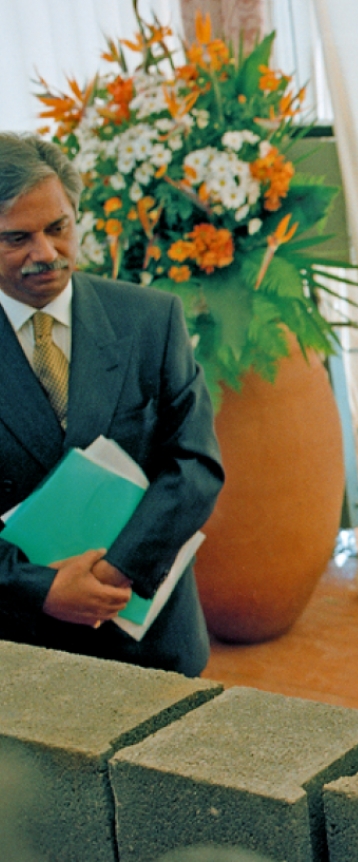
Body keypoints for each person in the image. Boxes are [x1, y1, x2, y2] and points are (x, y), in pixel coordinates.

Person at [0, 133, 222, 676]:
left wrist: (118, 572)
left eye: (58, 228)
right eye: (17, 238)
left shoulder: (150, 319)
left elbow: (195, 465)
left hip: (149, 640)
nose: (46, 254)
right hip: (20, 646)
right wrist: (42, 589)